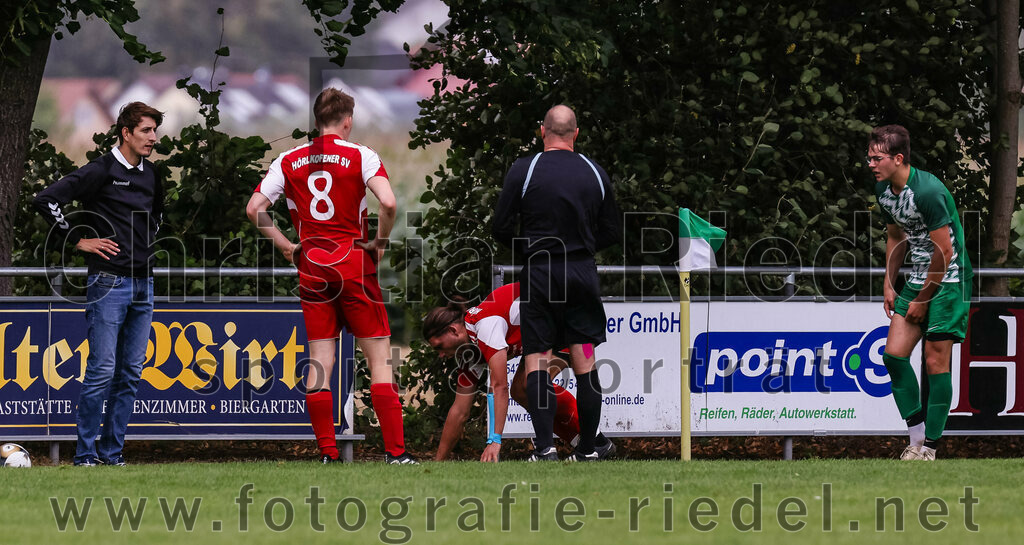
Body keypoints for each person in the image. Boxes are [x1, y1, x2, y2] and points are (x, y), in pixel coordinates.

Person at [246, 88, 416, 464]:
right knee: (380, 360)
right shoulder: (360, 154)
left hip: (314, 268)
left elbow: (255, 208)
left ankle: (327, 452)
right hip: (353, 262)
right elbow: (388, 201)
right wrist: (380, 242)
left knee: (321, 362)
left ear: (316, 119)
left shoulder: (288, 160)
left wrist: (287, 247)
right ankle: (396, 454)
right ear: (347, 120)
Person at [33, 102, 165, 467]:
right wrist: (78, 240)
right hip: (108, 283)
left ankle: (112, 453)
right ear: (126, 132)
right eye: (146, 131)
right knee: (102, 370)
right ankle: (86, 455)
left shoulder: (153, 174)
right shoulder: (101, 169)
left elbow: (158, 215)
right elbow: (46, 199)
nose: (152, 138)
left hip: (144, 285)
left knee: (130, 373)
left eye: (154, 131)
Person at [492, 105, 621, 461]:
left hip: (540, 272)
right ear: (576, 133)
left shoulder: (525, 168)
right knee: (584, 360)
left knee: (537, 357)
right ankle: (590, 450)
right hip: (581, 272)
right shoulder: (595, 172)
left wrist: (531, 250)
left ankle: (545, 448)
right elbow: (612, 230)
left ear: (542, 131)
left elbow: (500, 226)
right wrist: (581, 248)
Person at [422, 282, 616, 461]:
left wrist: (495, 441)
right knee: (522, 390)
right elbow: (459, 411)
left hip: (565, 320)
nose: (440, 355)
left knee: (528, 385)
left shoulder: (484, 326)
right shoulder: (470, 350)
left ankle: (565, 448)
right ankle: (594, 444)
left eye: (439, 346)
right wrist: (439, 462)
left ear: (453, 330)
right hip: (547, 330)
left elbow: (499, 386)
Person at [871, 124, 972, 461]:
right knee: (894, 356)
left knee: (934, 362)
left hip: (949, 281)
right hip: (918, 278)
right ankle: (914, 442)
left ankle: (929, 448)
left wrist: (922, 299)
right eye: (869, 157)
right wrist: (889, 282)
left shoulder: (928, 191)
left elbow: (943, 252)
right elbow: (897, 237)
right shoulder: (884, 192)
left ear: (898, 159)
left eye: (877, 158)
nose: (870, 163)